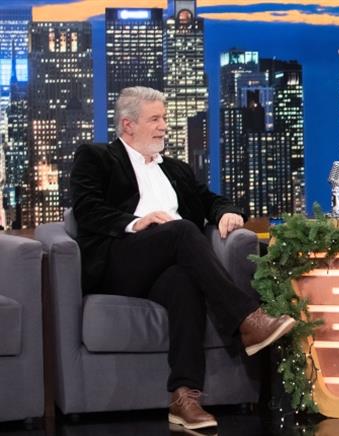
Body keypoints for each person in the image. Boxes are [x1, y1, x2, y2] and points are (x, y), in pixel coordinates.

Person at [69, 87, 295, 430]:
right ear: (128, 125)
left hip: (168, 265)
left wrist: (227, 213)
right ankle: (247, 320)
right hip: (120, 260)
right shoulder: (96, 157)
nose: (164, 126)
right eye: (155, 119)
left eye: (164, 118)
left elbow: (211, 200)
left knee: (184, 282)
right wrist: (134, 222)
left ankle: (184, 396)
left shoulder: (176, 169)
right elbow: (87, 210)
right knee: (182, 230)